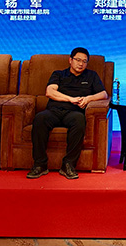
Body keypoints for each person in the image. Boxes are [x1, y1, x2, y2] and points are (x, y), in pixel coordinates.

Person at [27, 47, 107, 180]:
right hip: (54, 110)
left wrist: (88, 99)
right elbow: (50, 92)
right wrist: (71, 99)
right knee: (40, 118)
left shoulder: (91, 76)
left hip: (74, 112)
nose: (81, 64)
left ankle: (68, 164)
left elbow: (103, 94)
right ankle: (40, 164)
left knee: (79, 120)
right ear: (70, 60)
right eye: (78, 60)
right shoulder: (59, 74)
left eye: (84, 61)